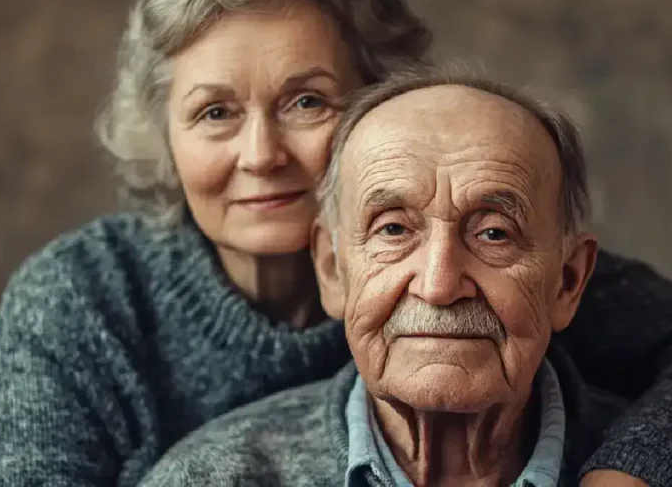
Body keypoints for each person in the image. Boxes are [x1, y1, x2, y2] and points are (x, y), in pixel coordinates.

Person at [0, 0, 672, 487]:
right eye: (215, 113)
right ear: (165, 139)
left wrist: (625, 475)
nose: (262, 155)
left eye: (307, 102)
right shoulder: (83, 298)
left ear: (380, 107)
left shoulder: (482, 268)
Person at [137, 67, 636, 487]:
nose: (438, 286)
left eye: (493, 234)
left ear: (568, 282)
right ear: (332, 270)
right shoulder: (209, 477)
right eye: (393, 229)